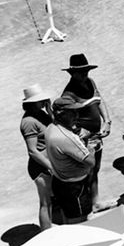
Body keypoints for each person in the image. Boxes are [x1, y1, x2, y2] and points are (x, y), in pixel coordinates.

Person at [60, 53, 113, 214]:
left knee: (95, 168)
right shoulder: (68, 94)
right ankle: (86, 205)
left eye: (86, 71)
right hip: (84, 139)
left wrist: (107, 121)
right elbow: (64, 117)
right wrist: (79, 130)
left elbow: (99, 100)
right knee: (85, 171)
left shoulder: (90, 82)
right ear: (72, 73)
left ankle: (95, 201)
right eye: (81, 72)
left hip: (96, 136)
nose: (85, 74)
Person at [45, 94, 97, 224]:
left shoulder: (51, 128)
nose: (76, 115)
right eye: (72, 112)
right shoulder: (66, 138)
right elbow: (91, 162)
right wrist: (90, 145)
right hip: (75, 189)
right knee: (80, 224)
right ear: (62, 114)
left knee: (68, 222)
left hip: (60, 182)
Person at [20, 84, 53, 229]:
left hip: (49, 164)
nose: (45, 101)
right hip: (41, 168)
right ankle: (46, 234)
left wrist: (50, 111)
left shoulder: (41, 114)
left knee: (54, 200)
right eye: (42, 100)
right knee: (45, 203)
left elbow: (55, 126)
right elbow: (32, 150)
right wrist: (50, 166)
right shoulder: (28, 122)